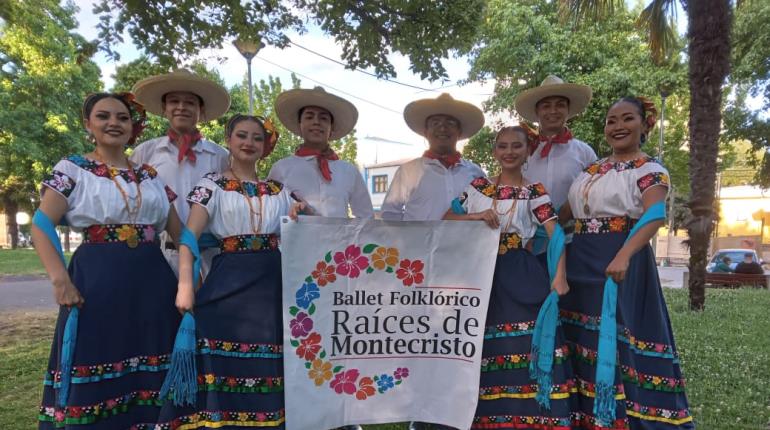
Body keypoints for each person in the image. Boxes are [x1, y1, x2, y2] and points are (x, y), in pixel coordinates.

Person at [34, 93, 186, 428]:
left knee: (154, 362)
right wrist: (61, 280)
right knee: (95, 356)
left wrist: (189, 280)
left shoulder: (150, 176)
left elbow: (183, 234)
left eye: (122, 118)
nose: (113, 123)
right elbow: (41, 224)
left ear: (133, 127)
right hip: (96, 281)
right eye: (103, 116)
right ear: (88, 124)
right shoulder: (71, 168)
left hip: (154, 284)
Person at [155, 114, 306, 428]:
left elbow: (304, 231)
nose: (249, 143)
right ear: (228, 139)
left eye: (257, 138)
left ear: (266, 146)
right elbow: (188, 237)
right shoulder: (211, 184)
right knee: (220, 355)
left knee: (270, 358)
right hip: (228, 281)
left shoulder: (280, 191)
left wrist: (299, 214)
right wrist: (185, 284)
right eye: (242, 135)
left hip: (270, 285)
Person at [560, 97, 694, 428]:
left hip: (620, 262)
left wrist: (623, 255)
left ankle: (622, 419)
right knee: (581, 340)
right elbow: (563, 214)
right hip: (579, 263)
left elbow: (653, 214)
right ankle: (586, 416)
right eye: (611, 120)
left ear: (645, 124)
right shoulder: (592, 169)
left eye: (627, 119)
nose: (618, 126)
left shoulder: (651, 170)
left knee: (616, 339)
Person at [443, 126, 574, 429]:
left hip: (517, 269)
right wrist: (474, 217)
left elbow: (555, 234)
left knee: (524, 339)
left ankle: (531, 416)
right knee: (481, 342)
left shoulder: (534, 192)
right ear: (494, 152)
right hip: (477, 271)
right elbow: (447, 219)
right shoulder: (477, 188)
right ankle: (483, 418)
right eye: (503, 146)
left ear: (528, 151)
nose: (510, 152)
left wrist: (559, 276)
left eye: (517, 146)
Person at [131, 69, 231, 275]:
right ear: (164, 109)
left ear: (200, 110)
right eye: (174, 101)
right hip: (161, 257)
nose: (181, 107)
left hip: (210, 257)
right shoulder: (145, 153)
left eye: (190, 102)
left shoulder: (220, 156)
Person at [514, 75, 597, 258]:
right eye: (546, 106)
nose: (553, 111)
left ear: (568, 110)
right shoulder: (522, 152)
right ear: (537, 112)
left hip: (572, 243)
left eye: (560, 105)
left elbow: (593, 196)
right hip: (528, 243)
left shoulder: (584, 153)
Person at [269, 86, 373, 219]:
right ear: (300, 124)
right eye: (309, 117)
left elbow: (366, 218)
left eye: (323, 118)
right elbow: (271, 214)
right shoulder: (281, 169)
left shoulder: (349, 171)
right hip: (297, 240)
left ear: (332, 128)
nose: (316, 122)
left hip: (340, 240)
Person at [381, 93, 485, 221]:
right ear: (426, 132)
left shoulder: (475, 172)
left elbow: (485, 208)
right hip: (418, 241)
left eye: (450, 123)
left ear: (459, 132)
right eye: (435, 123)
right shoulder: (408, 171)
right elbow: (390, 214)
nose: (442, 128)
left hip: (465, 241)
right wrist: (406, 239)